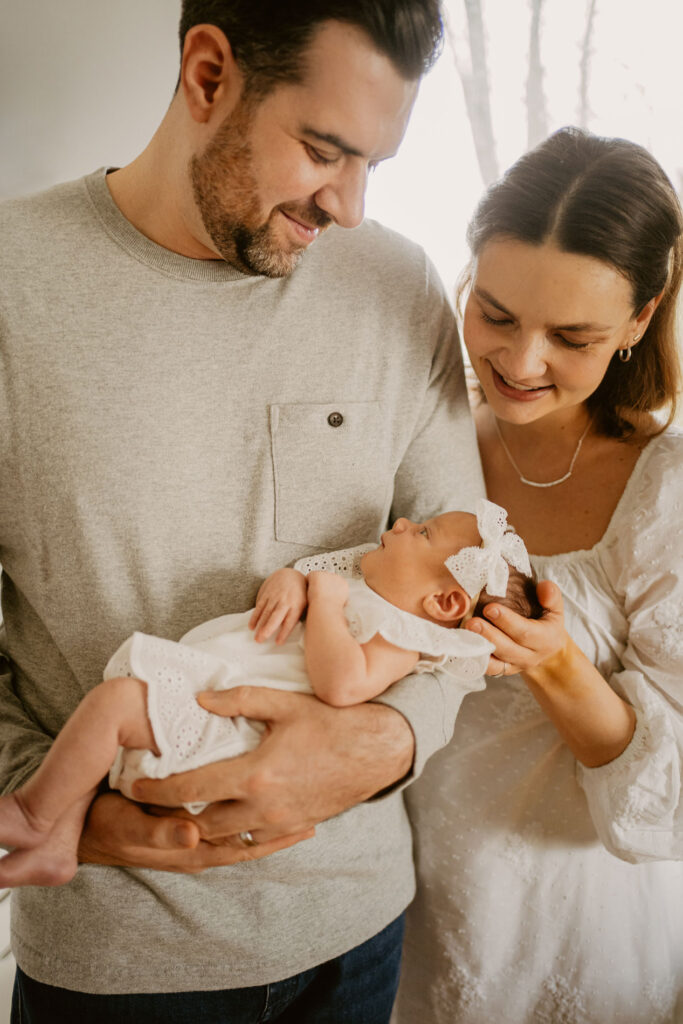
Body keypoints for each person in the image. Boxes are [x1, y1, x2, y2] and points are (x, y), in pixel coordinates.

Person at [0, 1, 488, 1021]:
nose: (348, 206)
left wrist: (388, 744)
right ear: (208, 74)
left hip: (357, 939)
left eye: (374, 166)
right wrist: (65, 808)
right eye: (323, 150)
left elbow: (469, 590)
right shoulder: (13, 285)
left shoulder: (399, 288)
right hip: (115, 962)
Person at [394, 126, 683, 1023]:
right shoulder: (414, 440)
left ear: (638, 320)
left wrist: (555, 662)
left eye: (571, 335)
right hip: (396, 904)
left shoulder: (664, 488)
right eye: (496, 314)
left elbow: (672, 790)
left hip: (571, 926)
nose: (520, 364)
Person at [0, 500, 541, 888]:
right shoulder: (361, 590)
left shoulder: (400, 638)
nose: (401, 522)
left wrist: (324, 604)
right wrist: (291, 583)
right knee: (104, 730)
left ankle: (31, 812)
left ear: (444, 604)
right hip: (220, 706)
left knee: (114, 705)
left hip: (243, 738)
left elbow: (342, 685)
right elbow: (302, 593)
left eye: (422, 533)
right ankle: (56, 840)